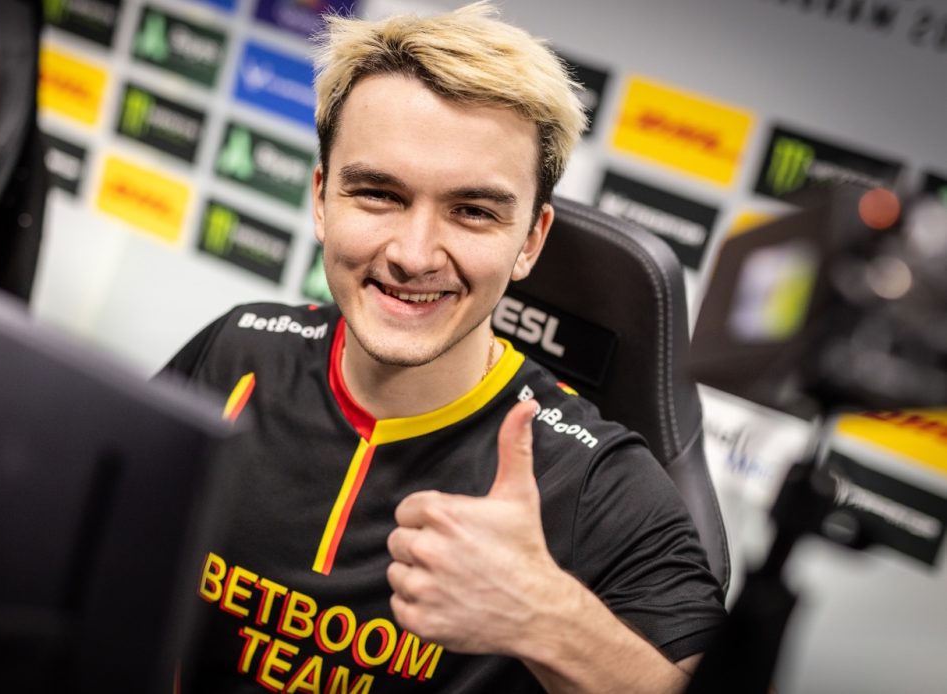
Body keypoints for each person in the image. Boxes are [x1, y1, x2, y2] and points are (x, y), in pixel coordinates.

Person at [160, 3, 726, 691]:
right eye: (378, 194)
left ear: (531, 241)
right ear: (321, 199)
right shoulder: (236, 351)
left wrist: (547, 618)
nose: (414, 253)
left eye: (473, 211)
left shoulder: (596, 481)